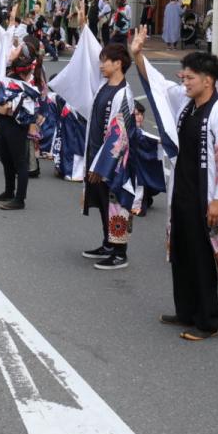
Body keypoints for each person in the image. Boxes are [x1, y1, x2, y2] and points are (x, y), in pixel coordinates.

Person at [132, 27, 218, 341]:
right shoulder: (186, 104)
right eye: (183, 77)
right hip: (182, 190)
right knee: (181, 252)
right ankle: (185, 310)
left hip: (205, 196)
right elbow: (158, 84)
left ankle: (208, 321)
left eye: (190, 78)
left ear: (208, 80)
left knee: (202, 258)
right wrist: (138, 54)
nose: (184, 83)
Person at [80, 42, 137, 269]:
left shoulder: (123, 93)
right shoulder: (104, 87)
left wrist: (101, 165)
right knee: (104, 203)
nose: (101, 65)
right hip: (97, 155)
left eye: (105, 61)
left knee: (117, 204)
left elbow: (119, 134)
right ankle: (108, 243)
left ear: (118, 63)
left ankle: (120, 252)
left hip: (114, 162)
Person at [0, 44, 42, 212]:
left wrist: (9, 108)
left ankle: (20, 199)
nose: (12, 50)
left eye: (16, 50)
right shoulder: (8, 75)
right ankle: (9, 191)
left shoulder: (28, 82)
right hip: (3, 123)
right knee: (6, 159)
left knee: (20, 162)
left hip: (17, 126)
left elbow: (29, 109)